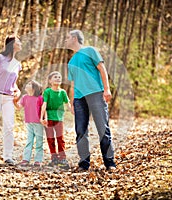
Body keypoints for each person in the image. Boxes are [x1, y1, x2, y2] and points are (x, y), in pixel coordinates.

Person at [65, 30, 116, 171]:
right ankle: (84, 164)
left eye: (67, 37)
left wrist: (107, 89)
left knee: (102, 129)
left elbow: (102, 68)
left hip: (96, 94)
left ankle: (110, 162)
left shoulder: (90, 51)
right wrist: (72, 102)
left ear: (74, 38)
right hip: (79, 99)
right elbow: (74, 84)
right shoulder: (71, 61)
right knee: (81, 131)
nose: (65, 40)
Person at [0, 35, 22, 165]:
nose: (21, 43)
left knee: (9, 127)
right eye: (18, 41)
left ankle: (8, 156)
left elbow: (13, 83)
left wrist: (18, 91)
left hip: (9, 98)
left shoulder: (17, 64)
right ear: (12, 44)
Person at [40, 71, 71, 169]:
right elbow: (44, 104)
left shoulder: (62, 92)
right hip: (49, 118)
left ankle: (62, 158)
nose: (58, 78)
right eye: (55, 77)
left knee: (60, 138)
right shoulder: (48, 91)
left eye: (59, 77)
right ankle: (54, 158)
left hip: (59, 118)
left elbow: (68, 104)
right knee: (50, 139)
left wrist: (74, 112)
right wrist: (42, 117)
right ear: (50, 80)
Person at [14, 80, 44, 167]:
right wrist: (14, 101)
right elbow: (19, 107)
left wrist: (44, 119)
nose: (27, 85)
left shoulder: (40, 98)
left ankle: (38, 160)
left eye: (30, 84)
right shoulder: (25, 97)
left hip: (38, 123)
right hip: (29, 123)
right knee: (29, 141)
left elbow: (44, 109)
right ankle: (26, 159)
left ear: (35, 88)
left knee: (39, 142)